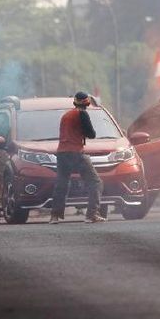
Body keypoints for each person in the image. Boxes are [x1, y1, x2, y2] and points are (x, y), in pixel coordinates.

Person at [51, 91, 104, 224]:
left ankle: (55, 216)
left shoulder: (65, 115)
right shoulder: (82, 114)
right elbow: (91, 134)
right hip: (76, 153)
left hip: (62, 154)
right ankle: (92, 215)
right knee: (95, 182)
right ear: (86, 103)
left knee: (61, 184)